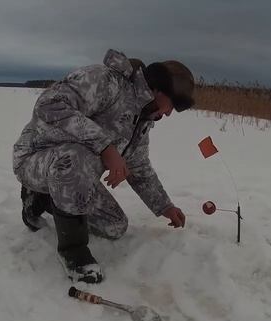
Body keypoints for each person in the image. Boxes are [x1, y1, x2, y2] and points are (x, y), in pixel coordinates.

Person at [12, 49, 195, 283]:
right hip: (34, 158)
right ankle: (73, 253)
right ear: (158, 90)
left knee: (115, 225)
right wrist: (106, 147)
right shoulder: (105, 80)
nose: (169, 114)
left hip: (71, 178)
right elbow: (49, 105)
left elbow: (139, 167)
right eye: (173, 105)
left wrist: (165, 207)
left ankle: (41, 199)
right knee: (77, 155)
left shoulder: (141, 119)